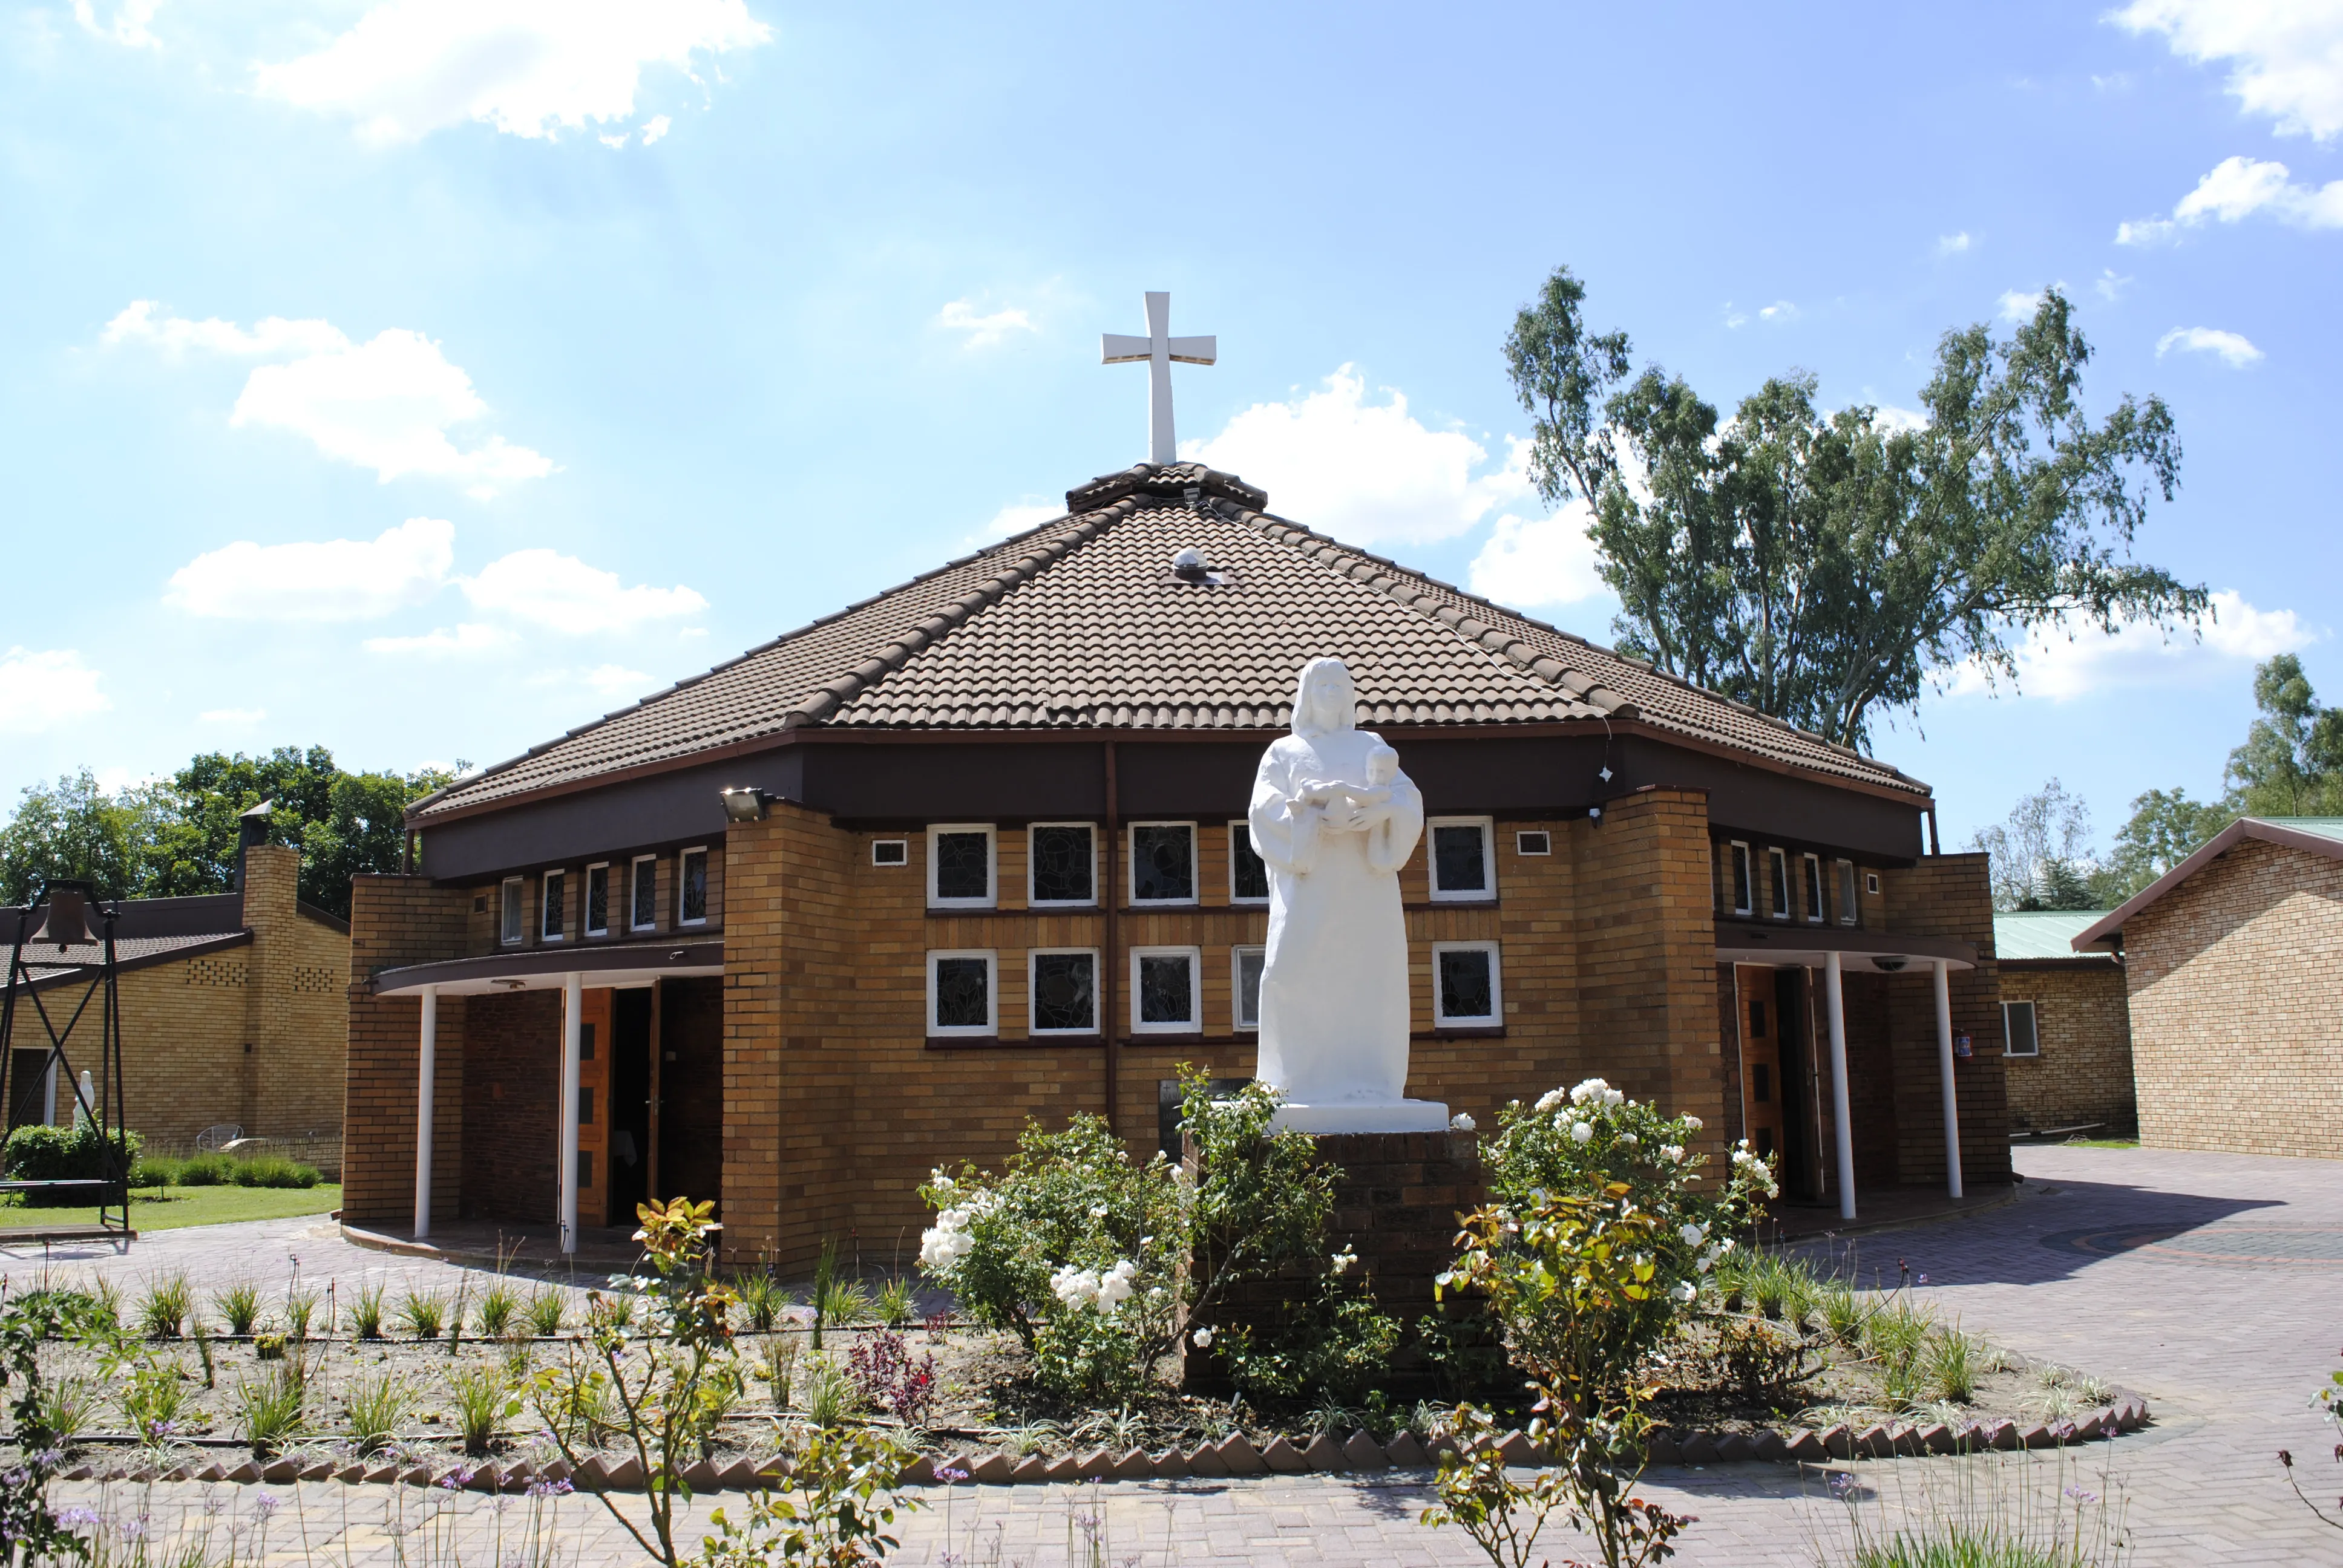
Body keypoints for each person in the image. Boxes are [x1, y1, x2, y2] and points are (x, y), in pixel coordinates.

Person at [1246, 658, 1424, 1108]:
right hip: (1310, 890)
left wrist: (1382, 813)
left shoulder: (1372, 745)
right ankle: (1292, 1082)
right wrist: (1308, 816)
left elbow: (1407, 798)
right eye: (1320, 683)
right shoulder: (1284, 752)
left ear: (1350, 694)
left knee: (1368, 978)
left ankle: (1370, 1079)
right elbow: (1263, 809)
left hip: (1366, 890)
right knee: (1293, 970)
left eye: (1339, 683)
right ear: (1306, 693)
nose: (1330, 690)